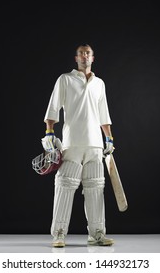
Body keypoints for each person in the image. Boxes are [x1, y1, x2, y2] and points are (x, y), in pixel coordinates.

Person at [42, 44, 115, 247]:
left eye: (88, 53)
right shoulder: (65, 79)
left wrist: (109, 139)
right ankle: (58, 234)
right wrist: (49, 132)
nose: (85, 56)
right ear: (76, 58)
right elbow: (53, 107)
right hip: (72, 143)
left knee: (96, 189)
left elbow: (104, 114)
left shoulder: (99, 83)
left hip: (95, 146)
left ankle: (97, 234)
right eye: (81, 53)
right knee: (65, 188)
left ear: (93, 57)